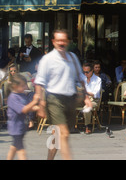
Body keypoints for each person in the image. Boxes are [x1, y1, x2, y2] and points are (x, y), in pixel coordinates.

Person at [34, 29, 92, 160]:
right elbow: (39, 82)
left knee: (58, 136)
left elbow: (81, 77)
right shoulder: (47, 59)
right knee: (63, 133)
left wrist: (86, 97)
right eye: (58, 40)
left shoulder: (72, 57)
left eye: (64, 40)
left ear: (68, 42)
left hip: (70, 100)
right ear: (53, 42)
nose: (61, 43)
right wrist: (41, 104)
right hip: (54, 100)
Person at [6, 73, 40, 160]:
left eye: (25, 84)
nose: (25, 87)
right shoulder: (13, 97)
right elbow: (24, 109)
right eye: (23, 85)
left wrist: (39, 108)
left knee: (14, 147)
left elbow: (29, 107)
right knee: (22, 152)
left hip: (21, 127)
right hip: (15, 128)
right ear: (14, 86)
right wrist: (34, 101)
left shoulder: (22, 95)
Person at [81, 62, 102, 134]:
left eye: (87, 72)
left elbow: (95, 93)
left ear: (92, 71)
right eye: (84, 72)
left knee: (86, 107)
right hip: (82, 98)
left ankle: (87, 126)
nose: (85, 74)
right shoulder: (82, 78)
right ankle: (70, 126)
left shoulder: (98, 79)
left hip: (93, 99)